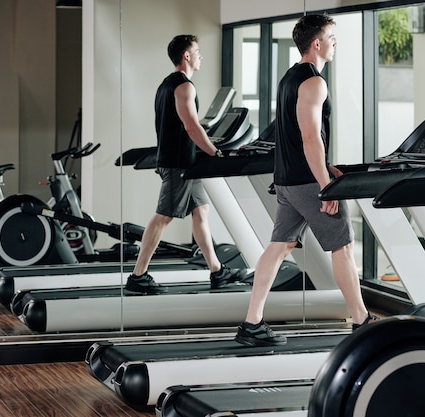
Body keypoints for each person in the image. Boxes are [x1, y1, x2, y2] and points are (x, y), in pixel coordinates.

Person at [234, 14, 374, 347]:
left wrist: (326, 166)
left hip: (286, 179)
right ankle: (362, 320)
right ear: (317, 43)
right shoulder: (314, 82)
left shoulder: (290, 78)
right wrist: (326, 183)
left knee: (279, 246)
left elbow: (299, 137)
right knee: (342, 245)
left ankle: (251, 323)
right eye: (332, 37)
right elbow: (310, 136)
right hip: (307, 183)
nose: (335, 43)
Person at [125, 34, 244, 294]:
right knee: (163, 217)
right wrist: (214, 152)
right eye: (197, 51)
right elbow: (191, 126)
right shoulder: (184, 86)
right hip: (180, 165)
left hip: (185, 163)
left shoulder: (167, 84)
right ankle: (138, 275)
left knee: (201, 212)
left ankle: (217, 271)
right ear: (186, 56)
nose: (201, 56)